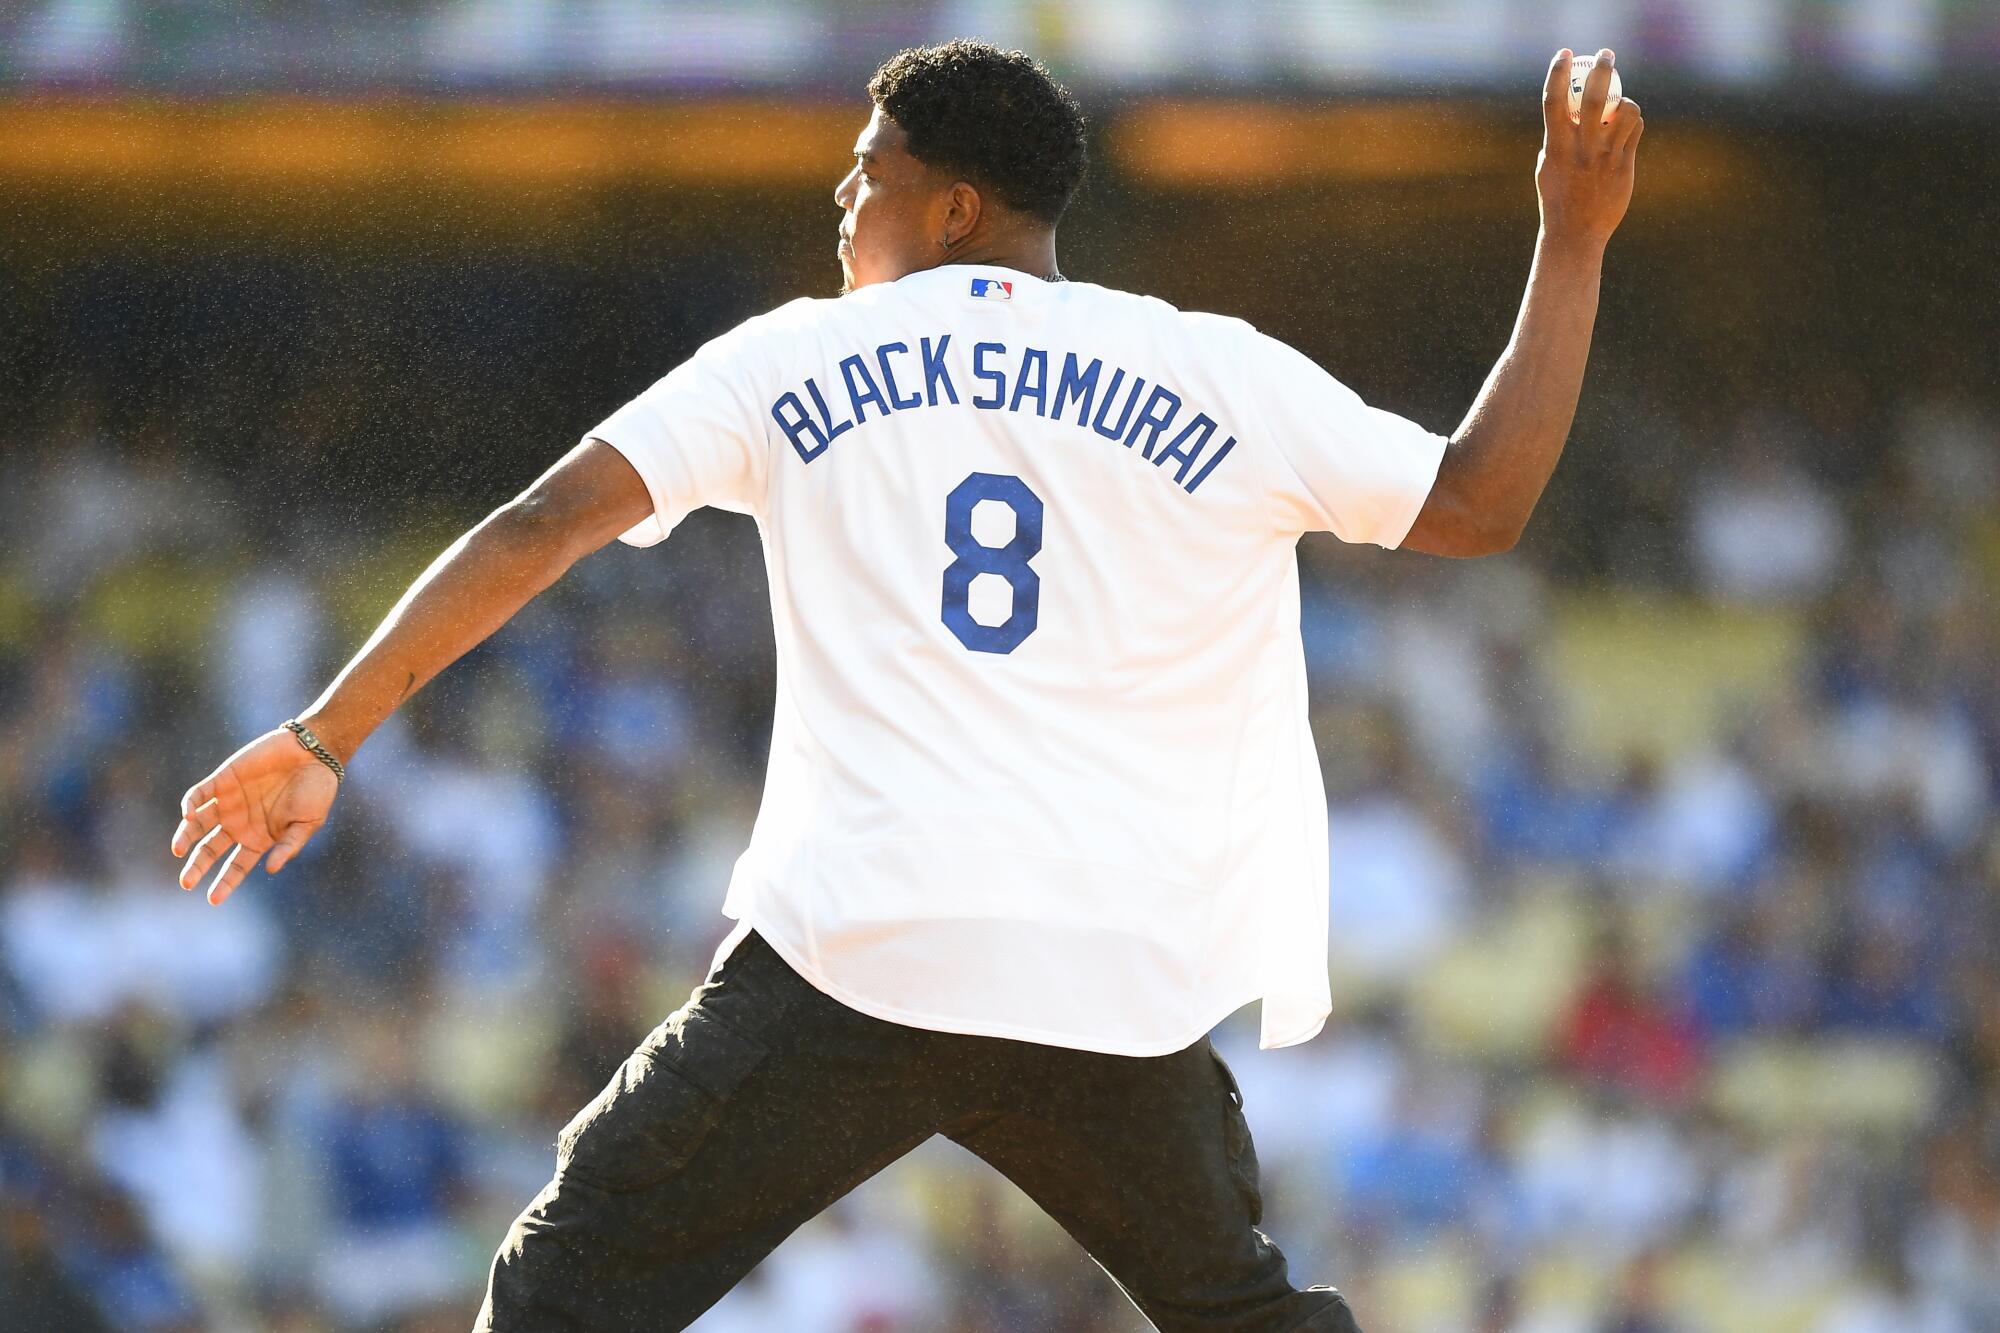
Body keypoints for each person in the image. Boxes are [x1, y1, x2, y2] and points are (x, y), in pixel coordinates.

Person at [168, 40, 1642, 1332]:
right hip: (1108, 974)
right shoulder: (1209, 370)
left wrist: (324, 733)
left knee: (558, 1295)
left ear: (955, 207)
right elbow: (1478, 498)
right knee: (1246, 1315)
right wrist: (1570, 243)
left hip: (861, 953)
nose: (841, 196)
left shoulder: (794, 358)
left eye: (868, 170)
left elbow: (544, 523)